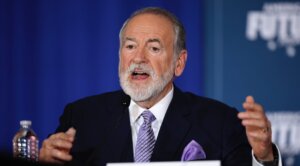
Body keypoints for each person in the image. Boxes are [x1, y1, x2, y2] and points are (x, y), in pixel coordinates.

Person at [39, 7, 281, 166]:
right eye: (130, 46)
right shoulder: (82, 118)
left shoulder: (219, 122)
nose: (138, 58)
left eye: (154, 48)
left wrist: (264, 158)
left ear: (179, 62)